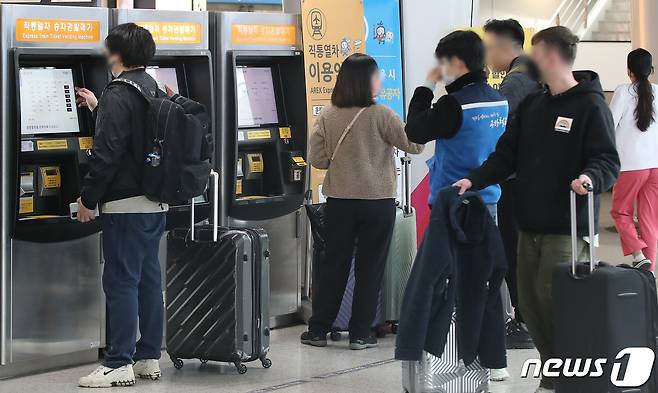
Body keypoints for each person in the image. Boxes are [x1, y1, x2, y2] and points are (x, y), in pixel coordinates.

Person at [454, 26, 620, 393]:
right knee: (530, 303)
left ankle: (567, 376)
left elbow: (608, 160)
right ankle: (556, 370)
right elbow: (506, 154)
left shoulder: (590, 105)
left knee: (555, 300)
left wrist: (590, 178)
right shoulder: (535, 104)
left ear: (553, 57)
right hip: (528, 224)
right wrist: (475, 179)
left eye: (537, 53)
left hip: (567, 226)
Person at [404, 30, 510, 381]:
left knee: (438, 283)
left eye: (442, 62)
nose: (441, 69)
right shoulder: (498, 100)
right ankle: (493, 362)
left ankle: (439, 357)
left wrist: (425, 86)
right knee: (485, 285)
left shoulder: (455, 105)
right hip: (488, 204)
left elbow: (415, 130)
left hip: (453, 210)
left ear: (456, 62)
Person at [302, 53, 424, 350]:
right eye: (377, 75)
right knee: (370, 268)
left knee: (334, 266)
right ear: (367, 81)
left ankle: (318, 329)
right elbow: (415, 145)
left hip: (340, 202)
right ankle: (360, 333)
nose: (380, 79)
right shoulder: (383, 115)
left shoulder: (328, 115)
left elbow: (316, 159)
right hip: (377, 202)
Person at [76, 23, 168, 388]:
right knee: (148, 280)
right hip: (154, 200)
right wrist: (99, 109)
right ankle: (148, 357)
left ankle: (117, 363)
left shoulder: (118, 92)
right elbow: (133, 139)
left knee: (120, 282)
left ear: (116, 54)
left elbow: (107, 155)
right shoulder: (152, 86)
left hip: (125, 204)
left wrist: (88, 199)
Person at [483, 18, 541, 350]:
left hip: (517, 183)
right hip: (532, 179)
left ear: (507, 47)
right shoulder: (531, 73)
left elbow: (495, 115)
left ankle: (524, 321)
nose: (487, 55)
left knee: (513, 251)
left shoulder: (517, 80)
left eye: (490, 47)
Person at [610, 48, 658, 272]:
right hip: (655, 165)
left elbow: (608, 125)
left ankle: (638, 254)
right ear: (650, 70)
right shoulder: (657, 91)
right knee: (649, 219)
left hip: (630, 165)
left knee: (621, 211)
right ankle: (649, 273)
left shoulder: (623, 91)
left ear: (629, 71)